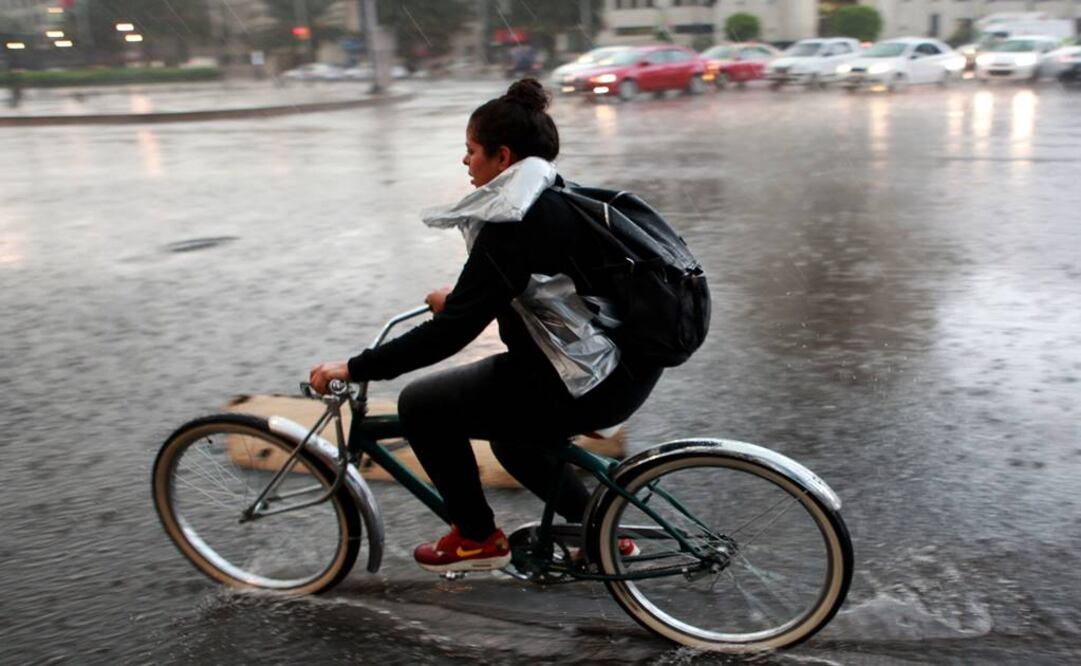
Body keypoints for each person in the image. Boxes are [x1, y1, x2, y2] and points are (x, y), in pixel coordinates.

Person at [309, 79, 662, 573]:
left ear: (502, 156)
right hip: (624, 369)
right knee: (515, 440)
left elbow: (450, 333)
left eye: (470, 150)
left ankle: (476, 537)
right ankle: (601, 534)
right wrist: (463, 300)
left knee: (422, 405)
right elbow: (550, 290)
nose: (465, 161)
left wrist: (354, 366)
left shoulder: (511, 224)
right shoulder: (558, 196)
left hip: (584, 382)